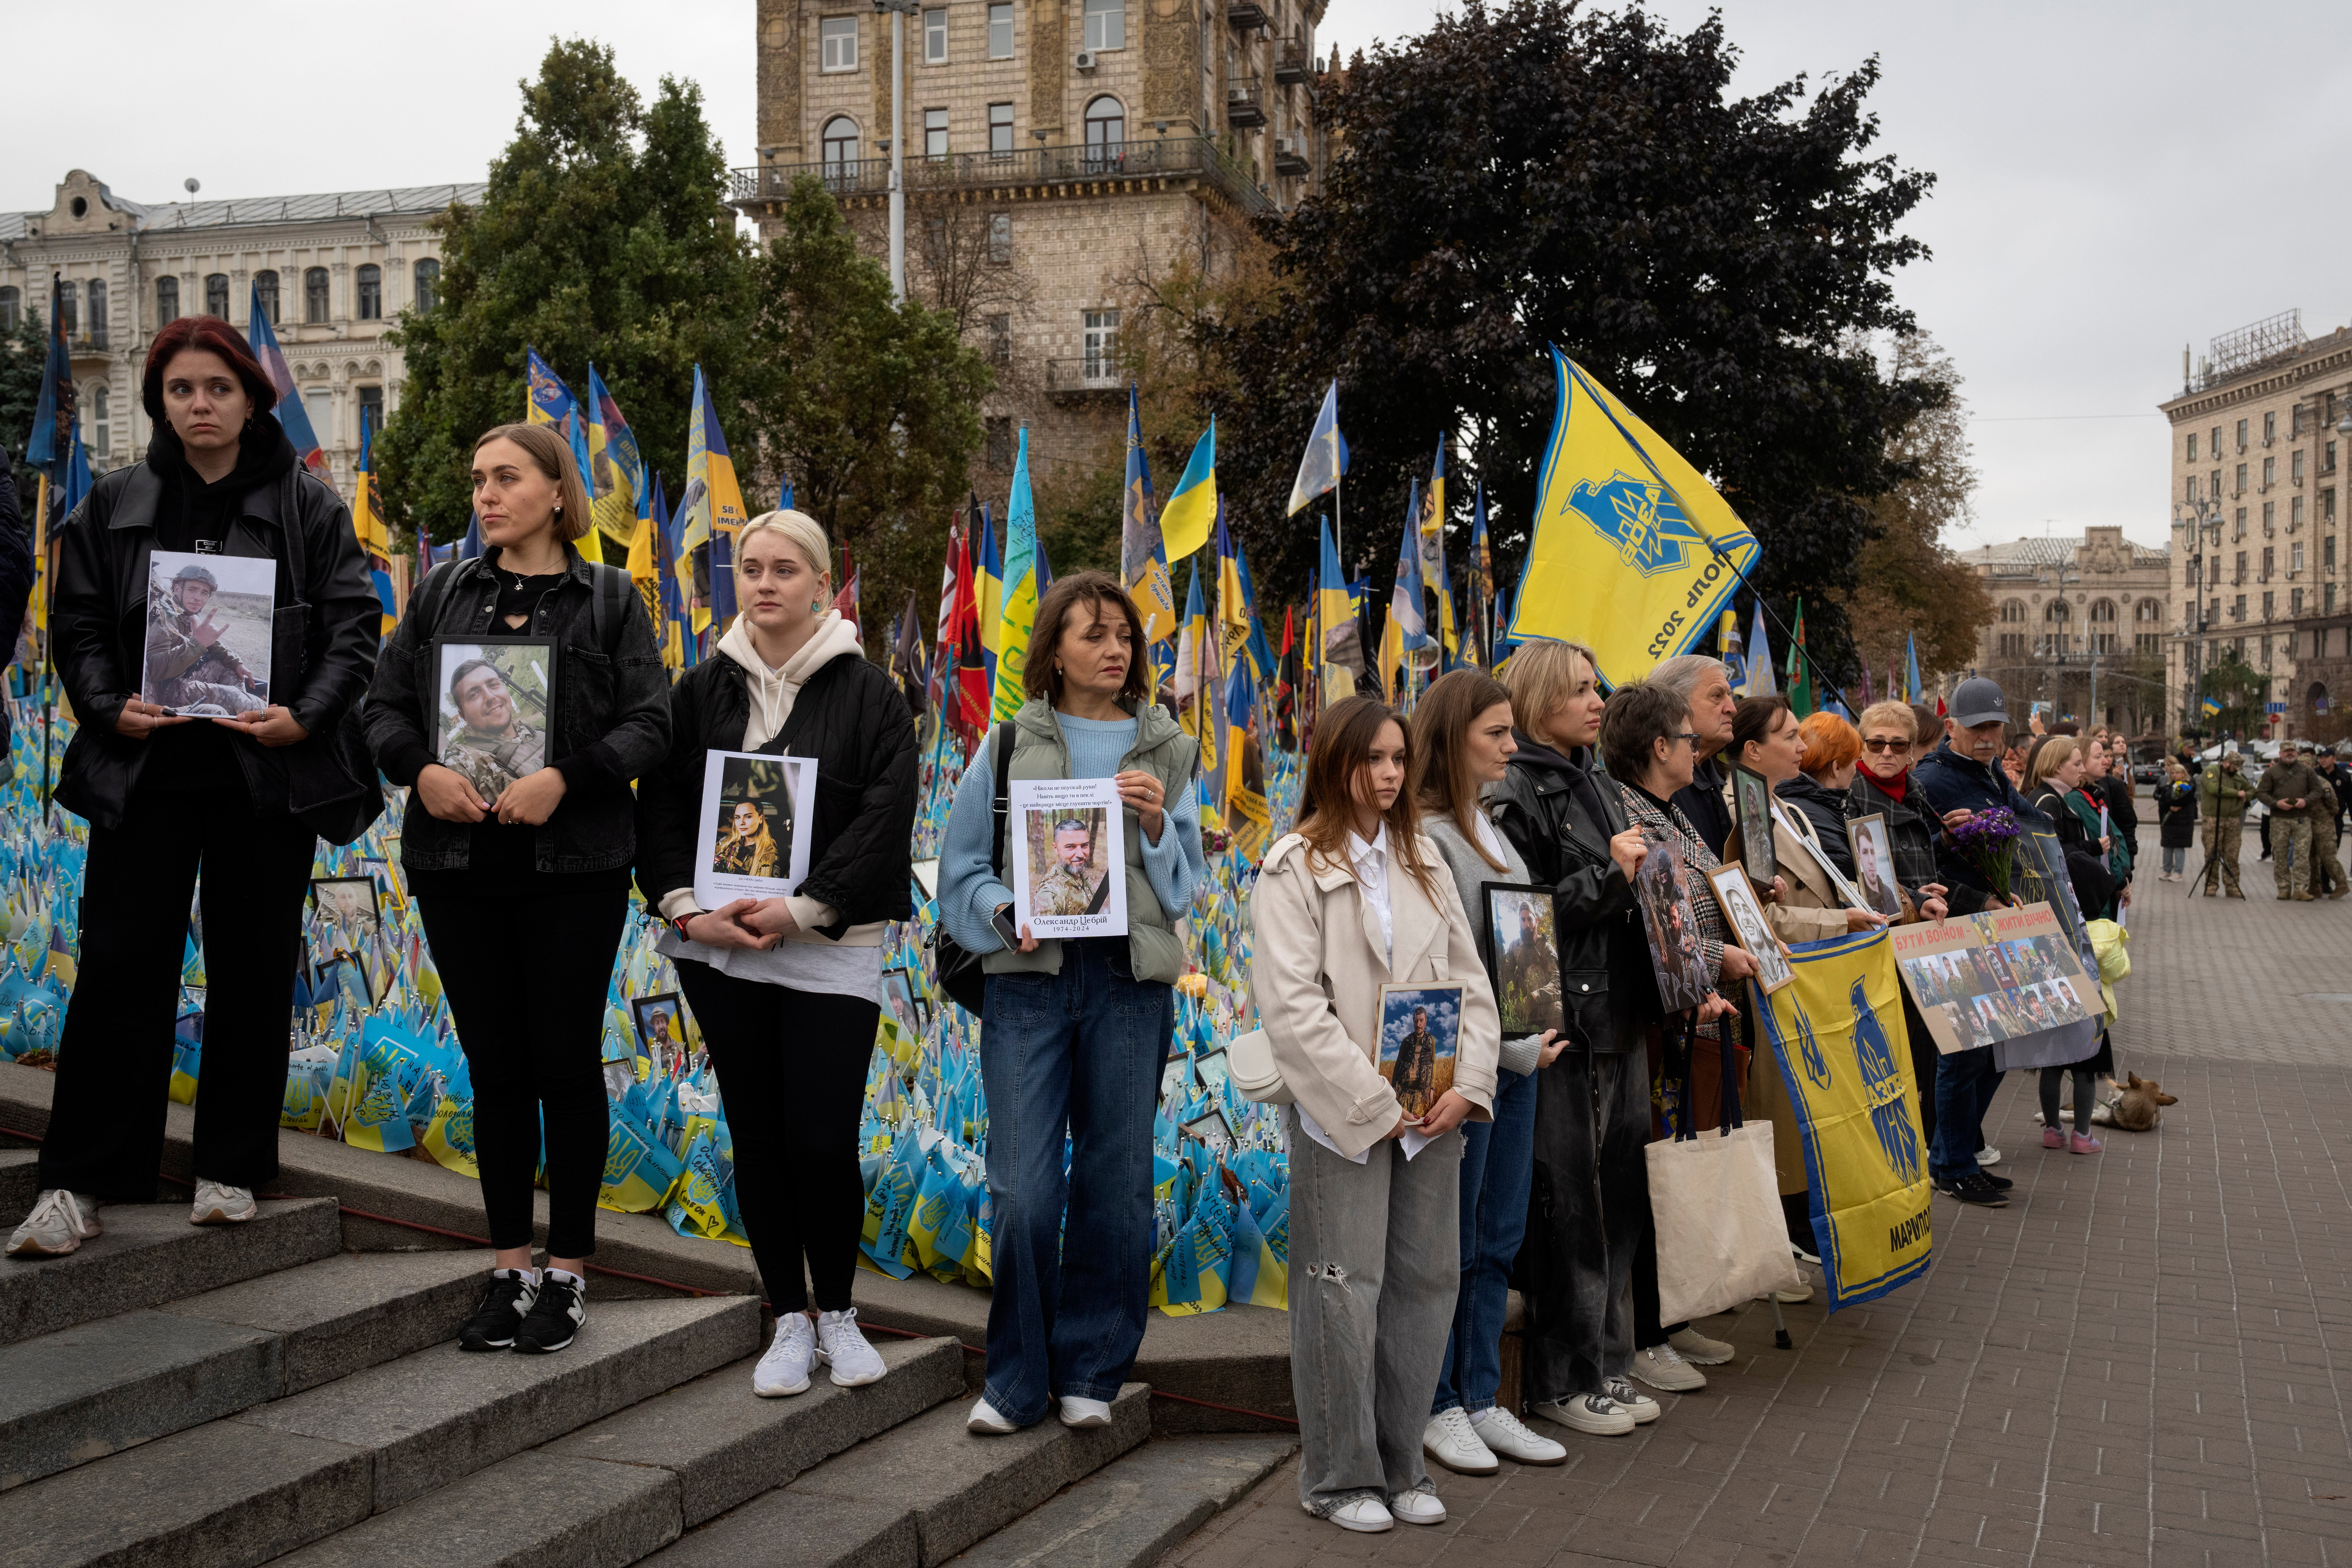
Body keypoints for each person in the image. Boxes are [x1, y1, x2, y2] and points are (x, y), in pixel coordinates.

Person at [9, 316, 381, 1261]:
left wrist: (306, 714)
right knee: (119, 968)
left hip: (262, 773)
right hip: (146, 771)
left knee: (254, 970)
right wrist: (105, 705)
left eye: (218, 386)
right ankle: (79, 1178)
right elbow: (80, 625)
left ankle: (230, 1164)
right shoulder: (118, 503)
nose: (200, 404)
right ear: (159, 401)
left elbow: (353, 625)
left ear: (251, 396)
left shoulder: (307, 504)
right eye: (181, 389)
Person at [363, 422, 670, 1353]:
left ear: (555, 489)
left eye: (506, 477)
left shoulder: (611, 598)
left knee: (565, 1063)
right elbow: (382, 706)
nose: (486, 494)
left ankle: (569, 1270)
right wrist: (419, 769)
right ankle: (509, 1264)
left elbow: (653, 721)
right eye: (478, 479)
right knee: (495, 1066)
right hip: (457, 867)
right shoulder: (444, 591)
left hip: (572, 866)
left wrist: (567, 776)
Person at [636, 508, 917, 1396]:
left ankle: (839, 1311)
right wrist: (686, 911)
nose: (763, 584)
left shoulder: (870, 693)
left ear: (821, 583)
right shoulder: (700, 690)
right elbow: (663, 809)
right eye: (751, 569)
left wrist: (800, 910)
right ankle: (787, 1317)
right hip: (720, 949)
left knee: (823, 1138)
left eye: (784, 570)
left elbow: (884, 815)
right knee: (756, 1134)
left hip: (827, 944)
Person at [938, 570, 1205, 1435]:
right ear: (1052, 649)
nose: (1113, 648)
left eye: (1123, 635)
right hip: (1030, 987)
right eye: (1092, 634)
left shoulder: (1167, 746)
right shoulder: (1012, 741)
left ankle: (1092, 1367)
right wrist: (1002, 911)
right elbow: (960, 870)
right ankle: (1015, 1380)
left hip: (1128, 988)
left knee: (1116, 1185)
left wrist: (1161, 824)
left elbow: (1189, 886)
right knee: (1021, 1190)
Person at [1253, 696, 1500, 1532]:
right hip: (1345, 1121)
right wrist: (1374, 1103)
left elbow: (1473, 987)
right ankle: (1339, 1477)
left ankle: (1402, 1465)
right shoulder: (1292, 865)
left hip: (1432, 1112)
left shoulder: (1423, 859)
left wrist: (1467, 1085)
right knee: (1340, 1291)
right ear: (1335, 762)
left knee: (1426, 1284)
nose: (1391, 775)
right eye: (1374, 759)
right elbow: (1292, 1009)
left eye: (1400, 759)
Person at [1495, 644, 1720, 1435]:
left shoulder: (1590, 779)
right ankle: (1562, 1375)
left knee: (1617, 1199)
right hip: (1566, 1024)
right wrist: (1609, 878)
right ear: (1537, 697)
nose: (1596, 701)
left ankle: (1606, 1360)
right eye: (1579, 689)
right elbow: (1516, 919)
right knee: (1571, 1208)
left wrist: (1687, 981)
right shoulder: (1517, 786)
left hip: (1619, 1010)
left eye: (1596, 687)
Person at [1407, 669, 1569, 1477]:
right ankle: (1438, 1402)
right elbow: (1447, 964)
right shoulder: (1428, 832)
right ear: (1451, 738)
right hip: (1476, 1069)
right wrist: (1507, 1049)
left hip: (1520, 1057)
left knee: (1498, 1238)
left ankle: (1477, 1395)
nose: (1512, 746)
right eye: (1496, 734)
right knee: (1456, 1241)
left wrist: (1536, 1028)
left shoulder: (1487, 824)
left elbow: (1516, 937)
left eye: (1511, 732)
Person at [1903, 679, 2048, 1210]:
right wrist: (1973, 898)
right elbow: (1918, 869)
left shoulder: (1986, 771)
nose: (1988, 737)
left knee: (1994, 1053)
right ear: (1951, 728)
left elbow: (2027, 822)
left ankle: (1952, 1152)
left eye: (1994, 726)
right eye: (1977, 728)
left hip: (1999, 928)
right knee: (1962, 1056)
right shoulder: (1930, 780)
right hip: (1956, 931)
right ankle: (1950, 1165)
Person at [1848, 701, 1970, 1145]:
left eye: (1896, 744)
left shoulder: (1915, 791)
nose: (1885, 752)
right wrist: (1917, 896)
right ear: (1861, 745)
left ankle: (1927, 1142)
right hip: (1883, 942)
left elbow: (1919, 862)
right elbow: (1861, 876)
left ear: (1911, 752)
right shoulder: (1853, 794)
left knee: (1928, 1049)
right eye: (1875, 743)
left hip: (1925, 937)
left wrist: (1944, 842)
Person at [145, 561, 265, 714]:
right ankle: (261, 713)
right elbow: (153, 669)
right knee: (235, 699)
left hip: (184, 674)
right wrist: (197, 645)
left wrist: (237, 663)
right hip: (167, 687)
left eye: (204, 593)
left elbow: (213, 644)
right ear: (177, 589)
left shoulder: (187, 615)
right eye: (192, 590)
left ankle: (238, 713)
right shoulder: (165, 618)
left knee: (231, 669)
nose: (198, 598)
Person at [439, 656, 546, 800]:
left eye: (493, 685)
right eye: (474, 694)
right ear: (463, 715)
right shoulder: (464, 762)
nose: (490, 697)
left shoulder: (531, 729)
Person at [2256, 739, 2325, 901]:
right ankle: (2284, 888)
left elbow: (2318, 791)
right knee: (2280, 855)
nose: (2290, 754)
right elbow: (2261, 793)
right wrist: (2276, 803)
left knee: (2302, 855)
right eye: (2286, 751)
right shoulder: (2271, 773)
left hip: (2302, 819)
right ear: (2280, 754)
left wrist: (2306, 801)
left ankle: (2301, 889)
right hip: (2279, 819)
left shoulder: (2307, 771)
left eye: (2292, 751)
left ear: (2297, 753)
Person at [2197, 751, 2254, 897]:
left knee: (2232, 854)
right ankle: (2211, 885)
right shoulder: (2211, 772)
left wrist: (2246, 795)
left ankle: (2233, 886)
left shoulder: (2238, 778)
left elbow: (2253, 791)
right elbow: (2214, 789)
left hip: (2233, 820)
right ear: (2227, 763)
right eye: (2235, 767)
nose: (2236, 771)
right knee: (2212, 853)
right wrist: (2237, 794)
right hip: (2213, 819)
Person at [1032, 818, 1104, 916]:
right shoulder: (1050, 896)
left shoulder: (1078, 871)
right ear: (1056, 849)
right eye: (1070, 847)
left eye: (1084, 846)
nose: (1080, 854)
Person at [713, 798, 781, 879]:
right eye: (738, 818)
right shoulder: (729, 842)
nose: (742, 823)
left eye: (748, 817)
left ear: (761, 819)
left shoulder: (769, 854)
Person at [2315, 749, 2352, 898]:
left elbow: (2351, 799)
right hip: (2317, 819)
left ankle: (2327, 883)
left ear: (2334, 759)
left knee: (2330, 852)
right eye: (2320, 758)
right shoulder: (2315, 774)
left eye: (2325, 758)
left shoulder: (2344, 776)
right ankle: (2319, 884)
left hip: (2335, 820)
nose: (2322, 760)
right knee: (2316, 853)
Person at [2154, 761, 2197, 882]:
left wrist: (2172, 804)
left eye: (2177, 773)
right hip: (2169, 821)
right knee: (2167, 847)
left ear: (2183, 774)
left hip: (2183, 822)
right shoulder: (2169, 787)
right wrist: (2169, 807)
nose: (2174, 775)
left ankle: (2178, 872)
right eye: (2172, 773)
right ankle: (2167, 870)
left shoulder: (2187, 786)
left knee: (2179, 848)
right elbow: (2162, 801)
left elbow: (2184, 800)